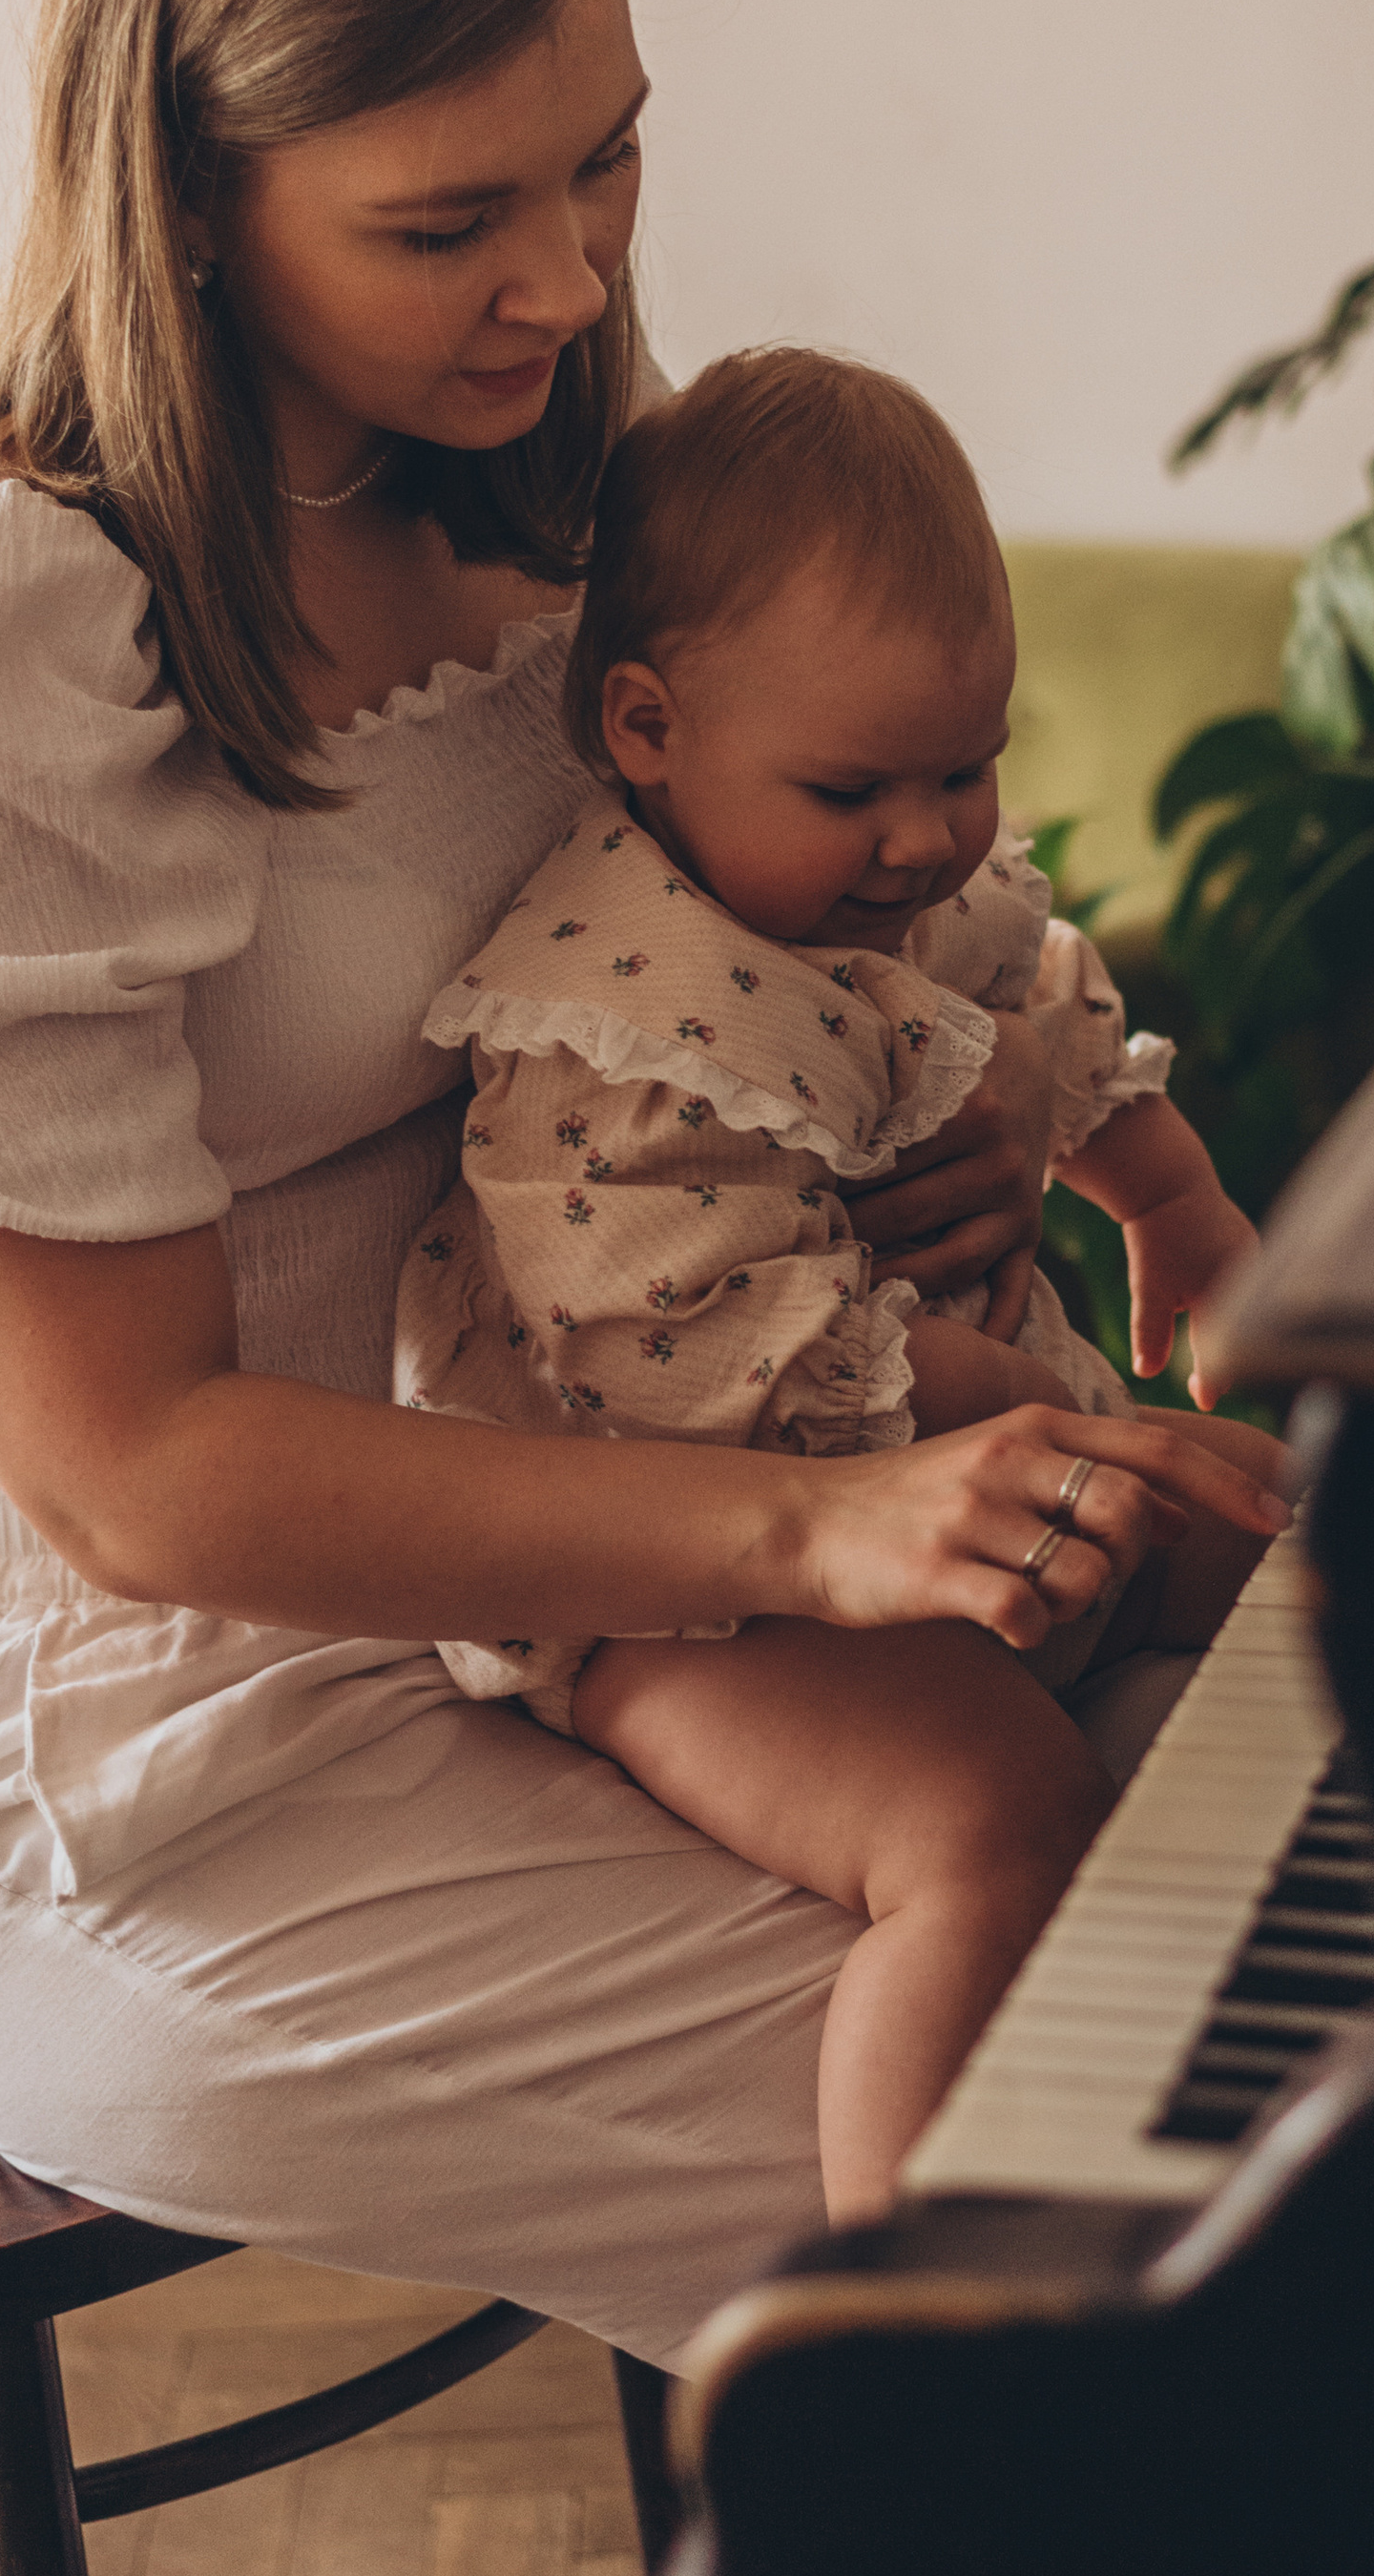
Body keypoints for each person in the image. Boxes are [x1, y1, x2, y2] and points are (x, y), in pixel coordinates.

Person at [0, 0, 1278, 2576]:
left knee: (1280, 1925)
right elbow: (126, 1478)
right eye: (452, 219)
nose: (567, 283)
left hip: (593, 1563)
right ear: (184, 166)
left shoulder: (585, 506)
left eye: (606, 167)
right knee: (1168, 2169)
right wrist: (828, 1540)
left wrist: (1026, 1166)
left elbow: (807, 988)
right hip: (143, 1764)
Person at [395, 344, 1272, 2220]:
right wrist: (1036, 1424)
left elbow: (1049, 1010)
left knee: (1284, 1555)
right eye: (856, 785)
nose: (927, 831)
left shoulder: (890, 880)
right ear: (645, 728)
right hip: (673, 1573)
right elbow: (677, 1355)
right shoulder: (612, 1017)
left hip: (955, 1448)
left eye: (969, 765)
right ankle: (902, 2328)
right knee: (984, 1819)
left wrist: (1167, 1203)